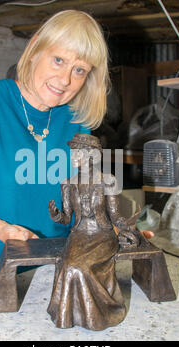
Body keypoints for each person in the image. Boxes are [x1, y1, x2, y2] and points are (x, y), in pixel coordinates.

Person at [0, 10, 110, 292]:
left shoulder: (77, 123)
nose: (65, 80)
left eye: (79, 70)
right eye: (59, 60)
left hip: (54, 271)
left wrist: (106, 230)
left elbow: (79, 205)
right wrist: (1, 230)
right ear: (36, 47)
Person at [47, 133, 132, 330]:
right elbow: (68, 218)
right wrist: (57, 216)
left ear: (92, 155)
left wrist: (129, 226)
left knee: (81, 267)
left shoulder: (108, 181)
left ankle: (103, 313)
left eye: (78, 152)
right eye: (72, 152)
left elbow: (115, 215)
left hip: (102, 235)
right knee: (68, 265)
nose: (73, 156)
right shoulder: (67, 183)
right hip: (79, 235)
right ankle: (69, 316)